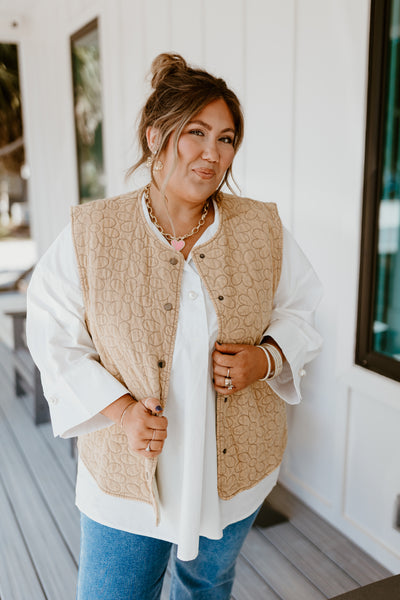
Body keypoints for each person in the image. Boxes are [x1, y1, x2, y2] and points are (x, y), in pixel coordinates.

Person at [27, 53, 322, 600]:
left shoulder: (261, 226)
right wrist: (121, 411)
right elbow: (54, 336)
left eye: (227, 138)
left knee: (207, 586)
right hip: (127, 471)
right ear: (155, 134)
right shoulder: (92, 232)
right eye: (196, 132)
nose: (213, 153)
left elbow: (301, 308)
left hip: (234, 465)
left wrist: (266, 359)